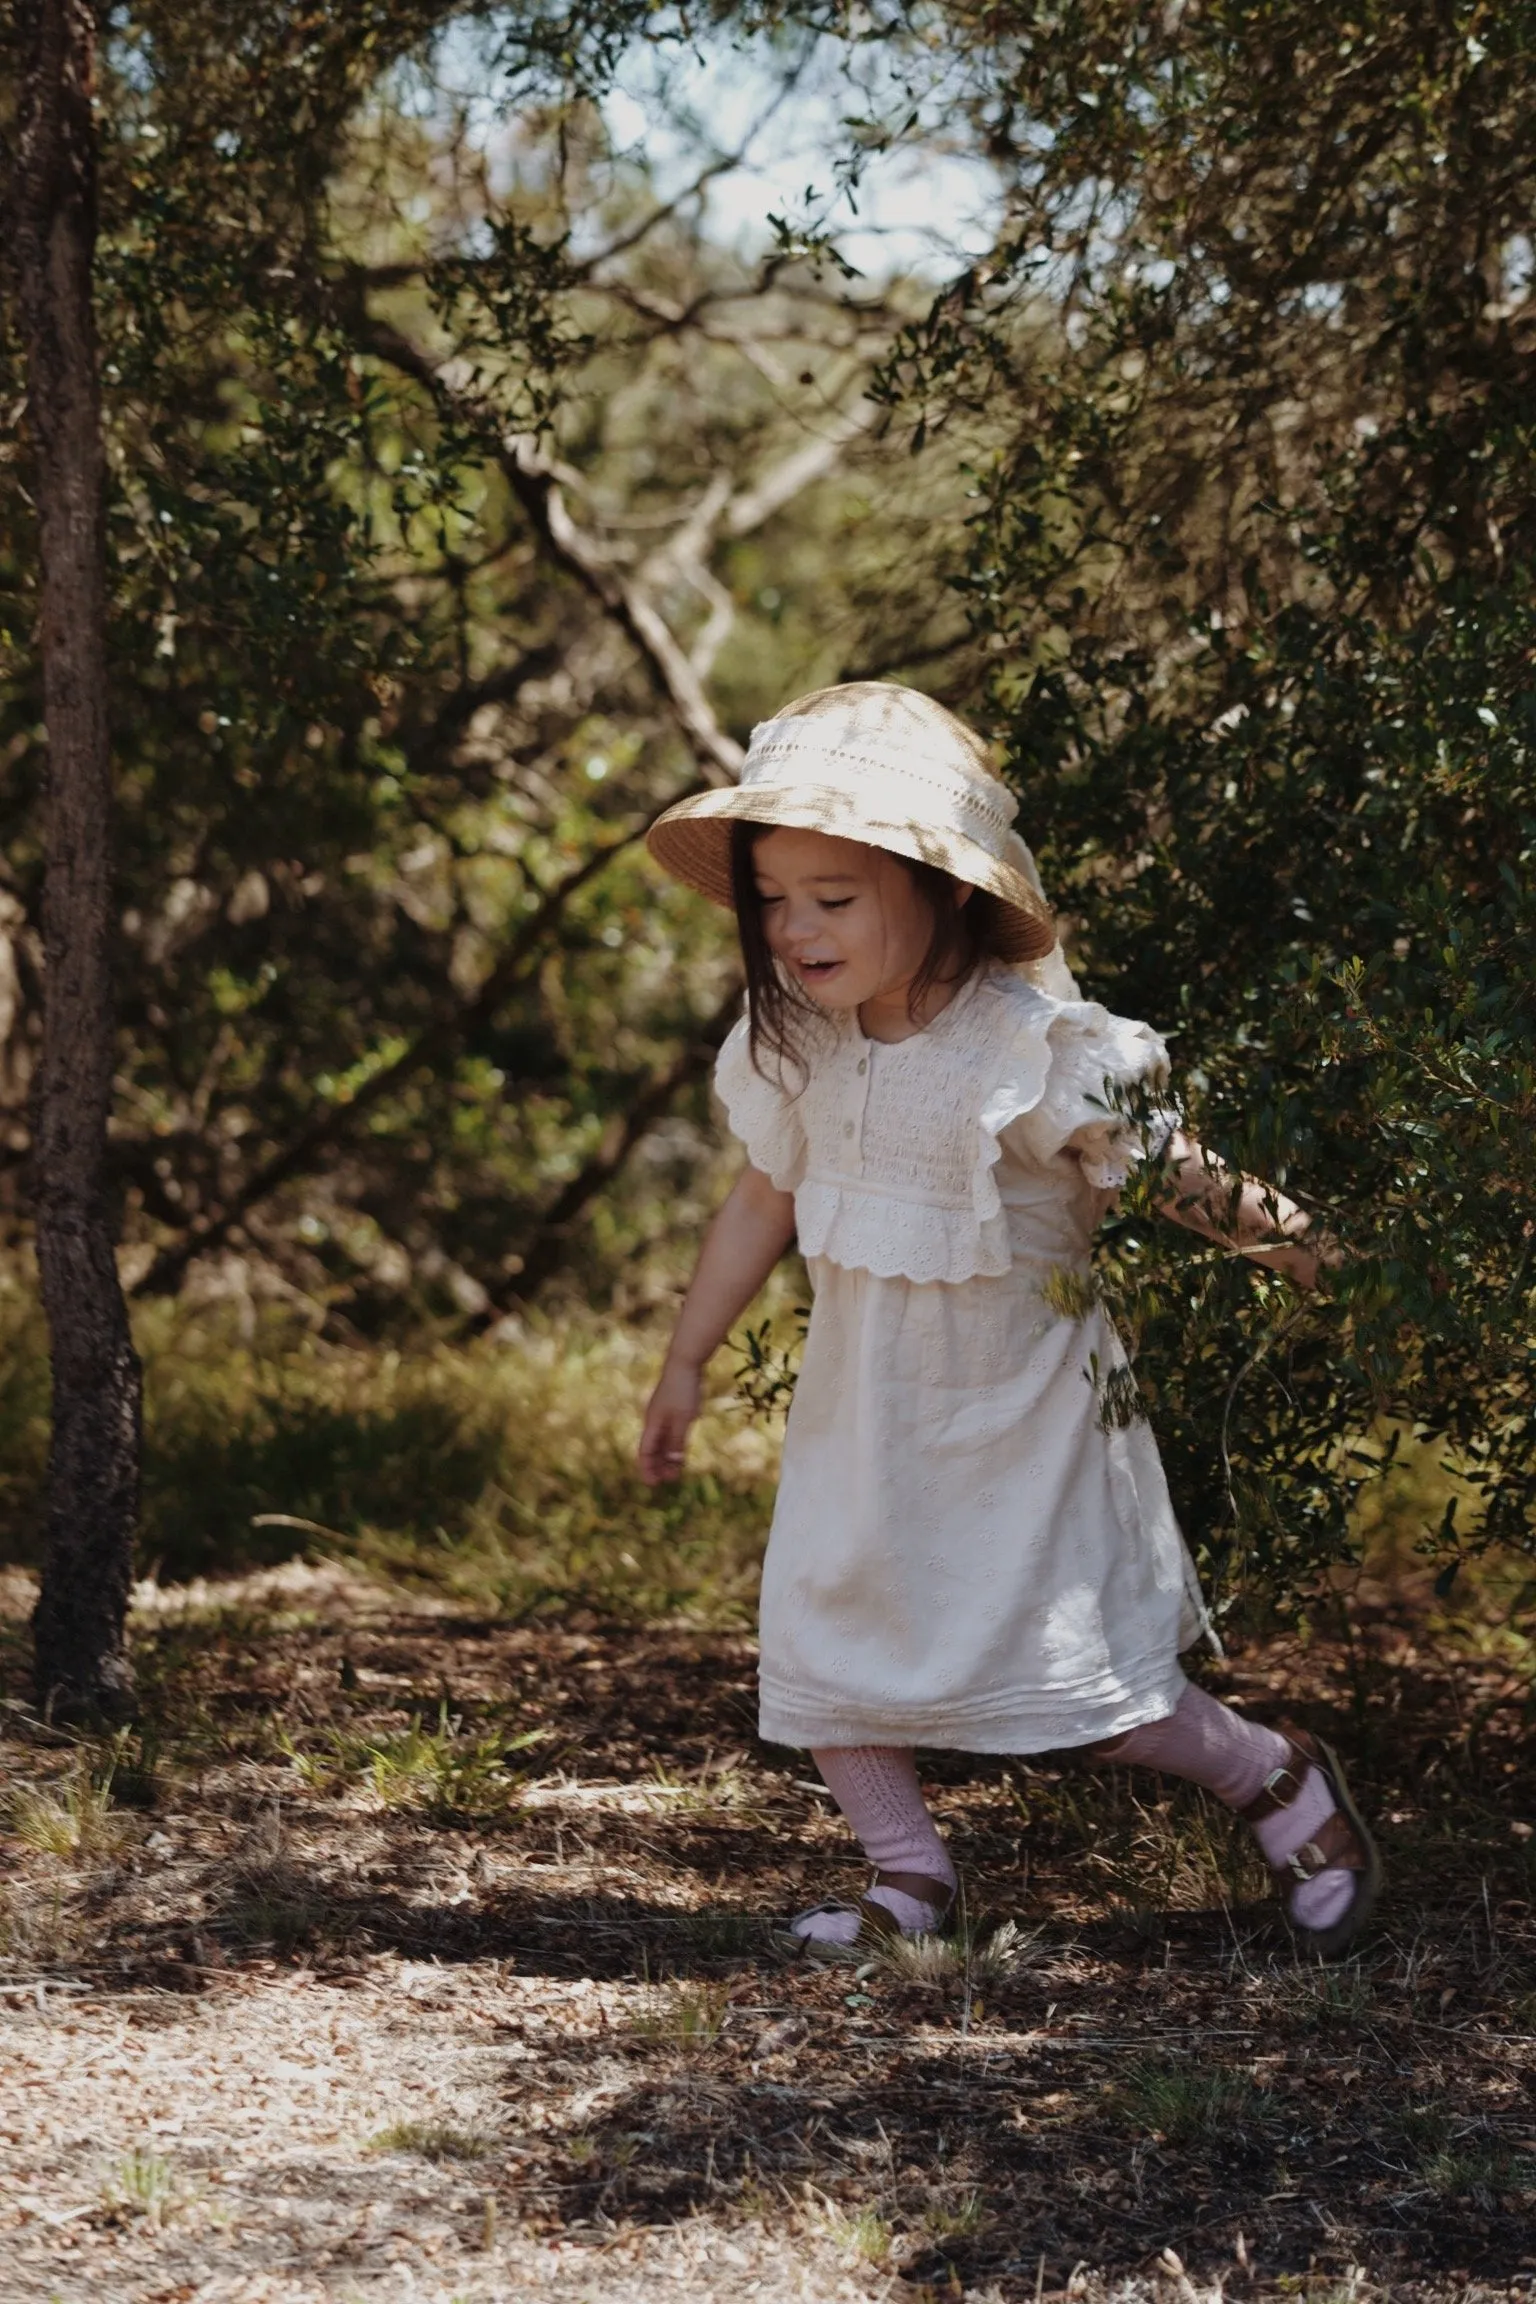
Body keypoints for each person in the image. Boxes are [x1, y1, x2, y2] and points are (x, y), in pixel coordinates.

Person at [637, 681, 1379, 1961]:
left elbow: (1177, 1177)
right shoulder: (802, 1045)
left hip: (1018, 1416)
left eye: (836, 895)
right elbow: (761, 1201)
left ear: (944, 890)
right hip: (865, 1413)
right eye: (774, 899)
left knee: (1087, 1685)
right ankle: (908, 1877)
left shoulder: (1027, 1049)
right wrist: (685, 1361)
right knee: (828, 1637)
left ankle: (1273, 1774)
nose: (797, 928)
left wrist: (1333, 1260)